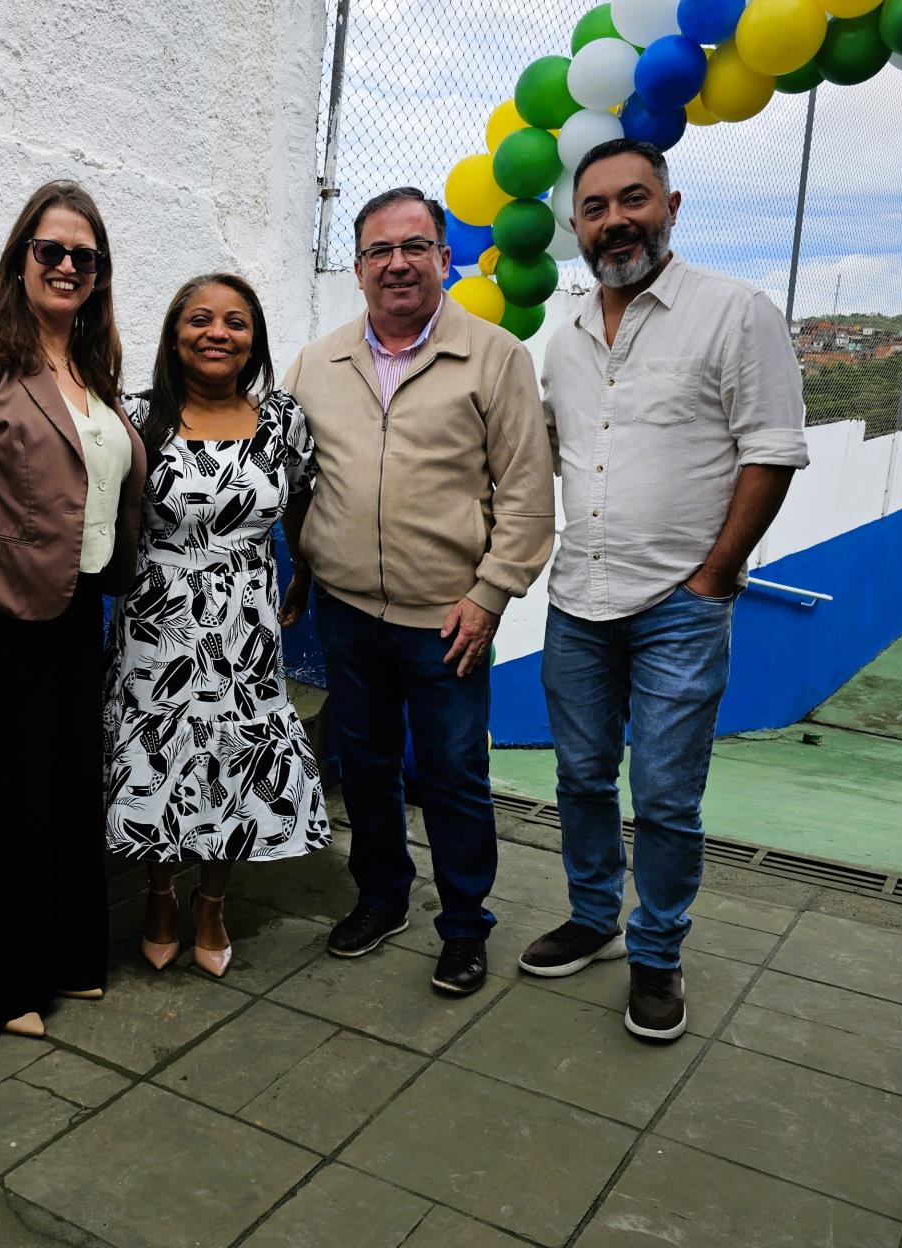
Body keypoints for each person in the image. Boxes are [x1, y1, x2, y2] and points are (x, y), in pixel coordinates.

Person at [522, 138, 808, 1042]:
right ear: (576, 228)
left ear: (671, 207)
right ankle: (594, 917)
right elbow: (540, 453)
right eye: (596, 208)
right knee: (579, 777)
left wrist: (715, 576)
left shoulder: (735, 312)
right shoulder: (564, 337)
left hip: (680, 608)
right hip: (577, 600)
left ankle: (657, 951)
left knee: (667, 796)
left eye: (633, 199)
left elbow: (772, 450)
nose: (615, 221)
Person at [285, 187, 555, 997]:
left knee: (452, 775)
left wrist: (491, 594)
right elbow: (297, 478)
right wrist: (303, 567)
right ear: (358, 268)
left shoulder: (495, 357)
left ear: (444, 258)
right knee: (365, 765)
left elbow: (527, 494)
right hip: (346, 612)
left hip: (448, 618)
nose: (396, 263)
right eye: (379, 250)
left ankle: (465, 926)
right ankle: (381, 898)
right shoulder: (317, 364)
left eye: (414, 248)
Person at [0, 180, 146, 1039]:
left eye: (86, 257)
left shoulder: (91, 366)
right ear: (20, 259)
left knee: (65, 789)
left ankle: (69, 958)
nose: (68, 266)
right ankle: (1, 986)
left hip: (76, 611)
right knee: (0, 804)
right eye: (51, 250)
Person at [106, 275, 330, 976]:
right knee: (159, 759)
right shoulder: (136, 418)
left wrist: (304, 570)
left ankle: (211, 903)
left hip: (246, 627)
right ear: (174, 335)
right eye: (199, 319)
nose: (217, 333)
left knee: (235, 759)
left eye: (236, 322)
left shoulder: (282, 421)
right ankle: (159, 894)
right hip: (158, 622)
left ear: (253, 340)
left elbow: (301, 499)